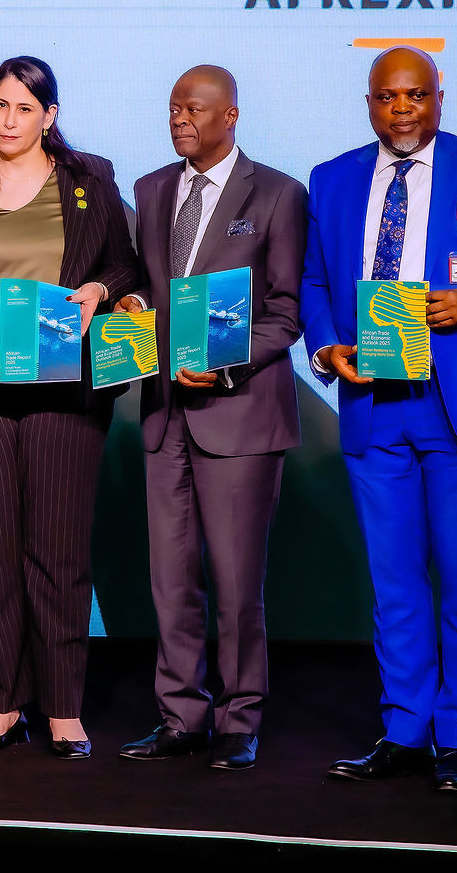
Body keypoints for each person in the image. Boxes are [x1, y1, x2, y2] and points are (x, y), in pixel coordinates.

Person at [301, 46, 457, 794]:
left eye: (415, 95)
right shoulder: (333, 178)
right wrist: (326, 348)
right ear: (369, 103)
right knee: (394, 579)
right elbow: (314, 282)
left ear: (440, 96)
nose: (401, 109)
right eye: (387, 97)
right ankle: (405, 727)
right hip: (373, 403)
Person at [0, 57, 141, 759]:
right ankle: (1, 704)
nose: (9, 120)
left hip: (64, 389)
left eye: (25, 108)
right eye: (0, 105)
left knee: (57, 551)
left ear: (50, 116)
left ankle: (63, 708)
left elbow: (124, 265)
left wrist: (99, 292)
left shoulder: (90, 178)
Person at [113, 66, 305, 771]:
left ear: (231, 116)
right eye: (174, 108)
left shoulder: (279, 194)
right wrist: (135, 303)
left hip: (239, 413)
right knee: (170, 581)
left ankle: (239, 718)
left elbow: (287, 311)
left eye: (194, 109)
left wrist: (227, 364)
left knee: (235, 581)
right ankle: (181, 716)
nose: (180, 119)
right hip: (164, 414)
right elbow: (148, 284)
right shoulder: (151, 189)